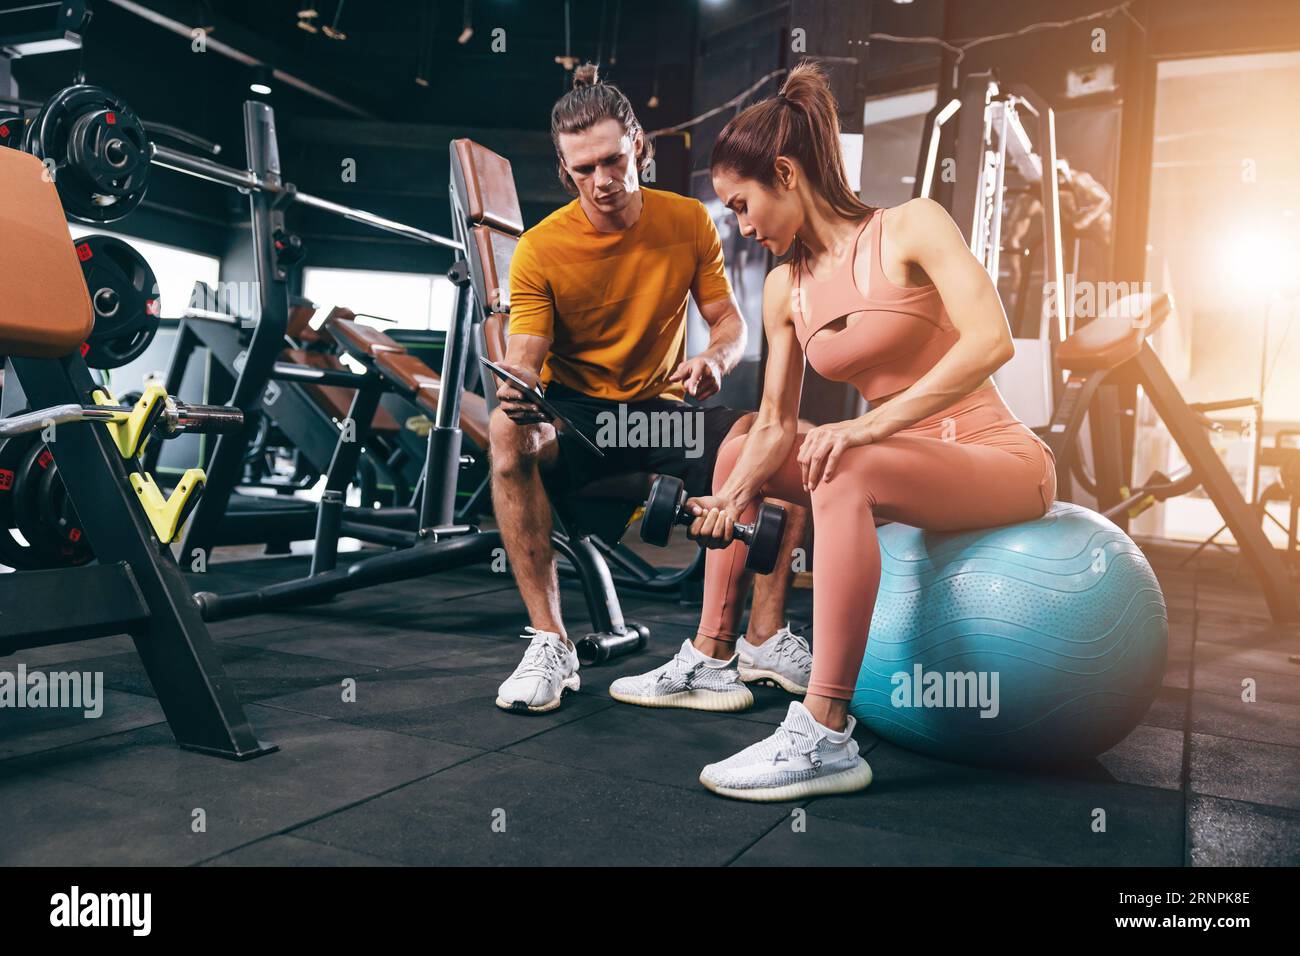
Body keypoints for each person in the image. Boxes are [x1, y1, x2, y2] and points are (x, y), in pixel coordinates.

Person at [609, 62, 1058, 802]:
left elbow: (991, 342)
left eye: (743, 205)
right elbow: (780, 423)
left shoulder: (912, 225)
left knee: (843, 465)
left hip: (994, 459)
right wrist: (733, 498)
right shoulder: (788, 289)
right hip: (901, 459)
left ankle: (824, 731)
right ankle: (714, 656)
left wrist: (866, 428)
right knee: (743, 435)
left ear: (784, 173)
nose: (743, 229)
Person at [490, 63, 811, 714]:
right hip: (582, 421)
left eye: (612, 160)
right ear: (564, 170)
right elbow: (526, 352)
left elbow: (729, 321)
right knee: (506, 432)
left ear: (638, 144)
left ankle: (764, 637)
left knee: (788, 444)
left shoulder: (688, 221)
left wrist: (716, 360)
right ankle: (550, 642)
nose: (602, 181)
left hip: (662, 415)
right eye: (583, 170)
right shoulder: (540, 249)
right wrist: (519, 382)